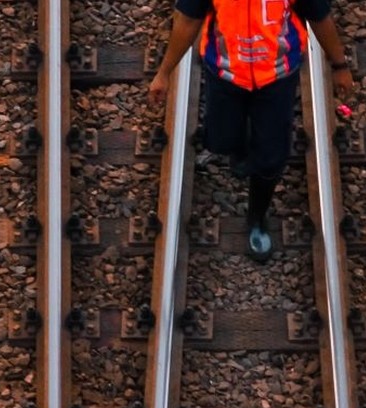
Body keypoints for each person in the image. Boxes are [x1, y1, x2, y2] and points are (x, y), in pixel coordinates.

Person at [149, 0, 354, 261]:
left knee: (270, 159)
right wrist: (164, 73)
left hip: (276, 78)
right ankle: (240, 151)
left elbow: (319, 16)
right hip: (226, 75)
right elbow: (188, 21)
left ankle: (257, 216)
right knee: (221, 139)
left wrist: (340, 66)